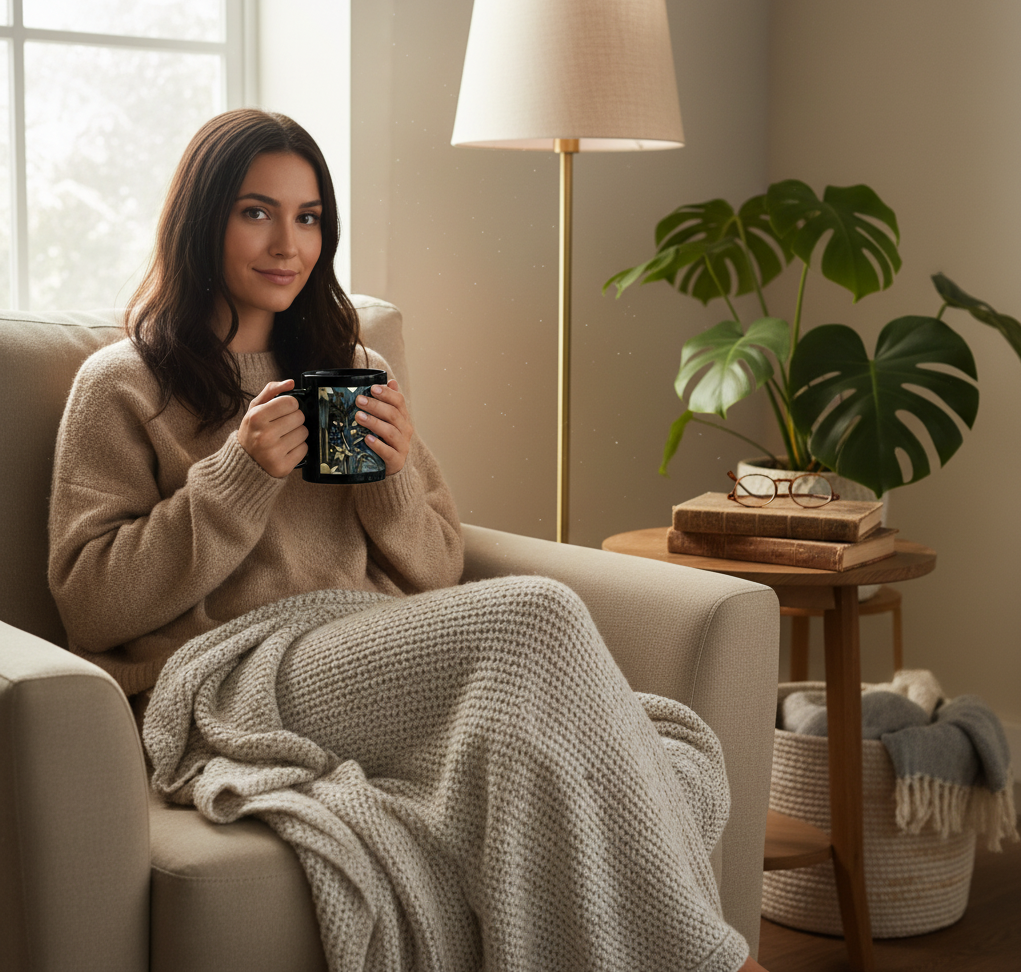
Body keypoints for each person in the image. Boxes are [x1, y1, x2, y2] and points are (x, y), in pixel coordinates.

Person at [47, 109, 768, 972]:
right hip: (229, 675)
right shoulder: (124, 384)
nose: (289, 243)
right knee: (537, 613)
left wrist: (391, 482)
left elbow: (438, 566)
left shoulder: (352, 368)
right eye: (256, 212)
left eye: (309, 216)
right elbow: (89, 604)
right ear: (202, 220)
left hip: (363, 641)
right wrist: (234, 480)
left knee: (665, 750)